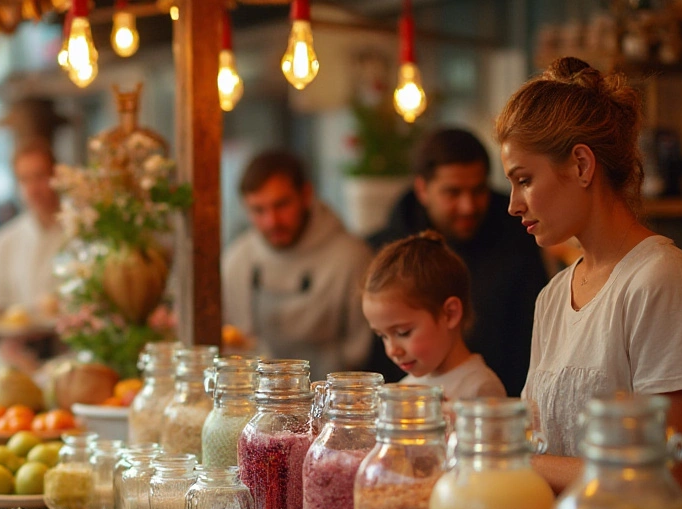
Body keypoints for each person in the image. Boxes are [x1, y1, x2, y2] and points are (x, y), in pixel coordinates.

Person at [498, 57, 682, 502]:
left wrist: (510, 460)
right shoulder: (552, 297)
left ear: (582, 165)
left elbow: (675, 484)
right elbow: (538, 443)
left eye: (525, 180)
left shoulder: (665, 283)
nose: (514, 204)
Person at [367, 128, 548, 395]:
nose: (468, 206)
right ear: (422, 189)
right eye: (452, 193)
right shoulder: (387, 248)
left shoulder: (519, 236)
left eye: (478, 191)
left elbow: (531, 336)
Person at [223, 150, 372, 378]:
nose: (272, 221)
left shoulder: (352, 258)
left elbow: (360, 352)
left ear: (306, 195)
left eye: (281, 205)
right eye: (258, 210)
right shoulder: (236, 259)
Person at [363, 231, 505, 400]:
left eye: (403, 332)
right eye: (383, 336)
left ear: (449, 314)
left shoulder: (481, 388)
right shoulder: (405, 388)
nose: (392, 350)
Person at [0, 142, 66, 312]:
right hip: (21, 338)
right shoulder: (5, 239)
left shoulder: (82, 230)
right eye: (24, 179)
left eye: (40, 176)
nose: (33, 189)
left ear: (57, 175)